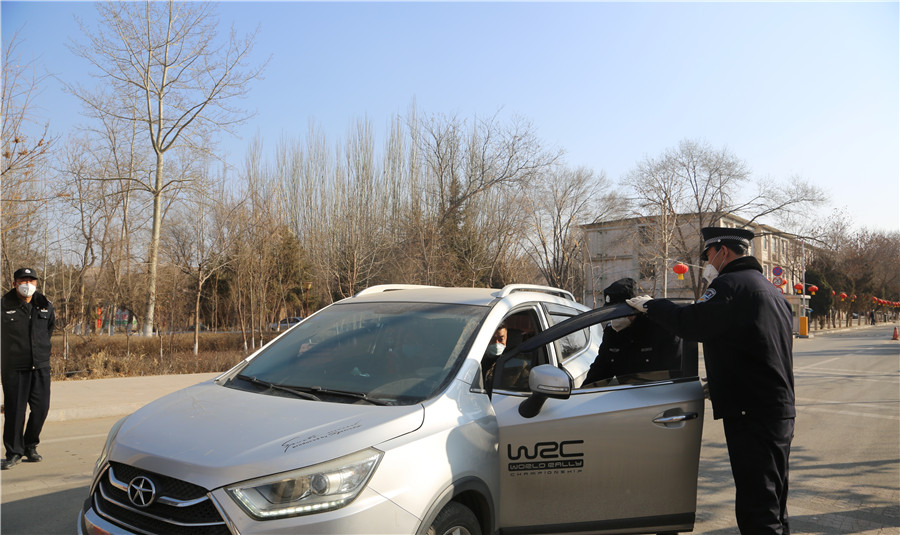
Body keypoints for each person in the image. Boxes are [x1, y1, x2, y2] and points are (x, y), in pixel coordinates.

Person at [626, 227, 794, 534]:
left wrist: (652, 305)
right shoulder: (770, 290)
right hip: (776, 408)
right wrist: (719, 381)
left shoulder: (729, 285)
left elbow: (692, 324)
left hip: (751, 412)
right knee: (773, 498)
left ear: (723, 252)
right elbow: (755, 347)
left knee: (758, 507)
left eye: (708, 255)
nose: (707, 263)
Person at [1, 267, 56, 470]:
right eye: (23, 281)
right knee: (15, 412)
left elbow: (49, 330)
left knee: (41, 408)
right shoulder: (4, 305)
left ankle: (30, 445)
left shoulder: (45, 305)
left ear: (36, 283)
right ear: (15, 283)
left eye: (31, 281)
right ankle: (14, 452)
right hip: (14, 368)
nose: (27, 284)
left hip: (40, 367)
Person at [583, 278, 682, 386]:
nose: (615, 318)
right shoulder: (612, 334)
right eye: (611, 313)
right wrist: (582, 392)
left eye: (618, 312)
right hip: (627, 394)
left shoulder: (660, 330)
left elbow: (677, 373)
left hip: (659, 392)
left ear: (634, 308)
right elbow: (599, 370)